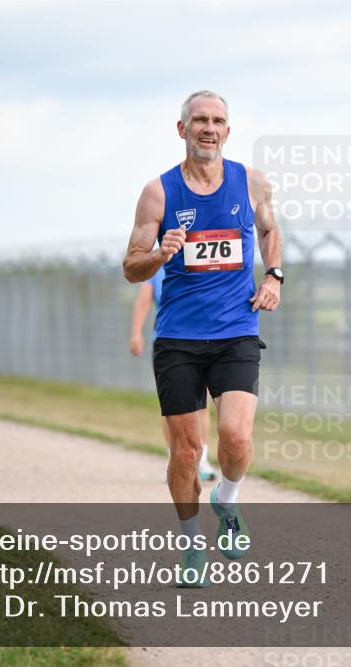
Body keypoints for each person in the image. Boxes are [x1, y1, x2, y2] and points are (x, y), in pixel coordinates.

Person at [122, 90, 283, 587]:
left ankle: (227, 502)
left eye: (217, 121)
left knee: (236, 437)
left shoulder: (252, 182)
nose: (208, 128)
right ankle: (193, 544)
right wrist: (160, 254)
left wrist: (274, 275)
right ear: (182, 129)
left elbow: (270, 231)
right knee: (188, 452)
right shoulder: (159, 192)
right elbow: (131, 266)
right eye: (199, 121)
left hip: (236, 329)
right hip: (178, 338)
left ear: (228, 131)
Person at [129, 266, 218, 481]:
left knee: (201, 404)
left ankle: (202, 460)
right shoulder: (157, 264)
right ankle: (176, 458)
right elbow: (144, 300)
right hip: (167, 342)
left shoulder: (200, 256)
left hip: (201, 340)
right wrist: (136, 334)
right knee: (172, 407)